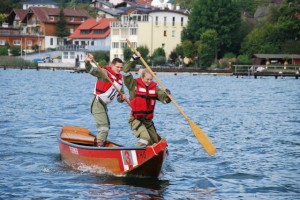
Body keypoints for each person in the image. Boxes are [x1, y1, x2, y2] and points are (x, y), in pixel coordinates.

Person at [122, 53, 171, 146]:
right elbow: (125, 72)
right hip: (136, 119)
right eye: (147, 79)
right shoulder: (133, 85)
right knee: (145, 138)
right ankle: (136, 155)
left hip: (148, 121)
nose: (149, 81)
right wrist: (132, 59)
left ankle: (152, 157)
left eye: (151, 79)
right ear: (142, 77)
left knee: (155, 142)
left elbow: (164, 99)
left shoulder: (154, 88)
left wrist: (168, 96)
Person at [84, 53, 125, 147]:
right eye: (117, 67)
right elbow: (92, 70)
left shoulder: (120, 80)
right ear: (112, 65)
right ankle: (99, 148)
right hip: (97, 103)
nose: (119, 69)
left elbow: (119, 97)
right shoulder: (105, 73)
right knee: (104, 127)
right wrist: (87, 62)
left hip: (104, 105)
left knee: (107, 126)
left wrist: (122, 98)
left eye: (121, 68)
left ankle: (98, 142)